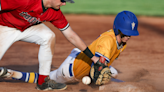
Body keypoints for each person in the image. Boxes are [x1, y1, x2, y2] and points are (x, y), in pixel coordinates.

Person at [0, 11, 139, 85]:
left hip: (80, 58)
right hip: (70, 71)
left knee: (111, 72)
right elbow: (99, 68)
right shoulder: (108, 41)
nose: (128, 37)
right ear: (117, 29)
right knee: (46, 78)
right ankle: (8, 73)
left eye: (130, 34)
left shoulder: (121, 42)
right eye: (125, 33)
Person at [0, 0, 100, 91]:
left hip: (26, 28)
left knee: (48, 36)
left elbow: (71, 35)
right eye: (63, 0)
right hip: (3, 27)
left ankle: (43, 82)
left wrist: (93, 58)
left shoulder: (54, 12)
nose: (64, 4)